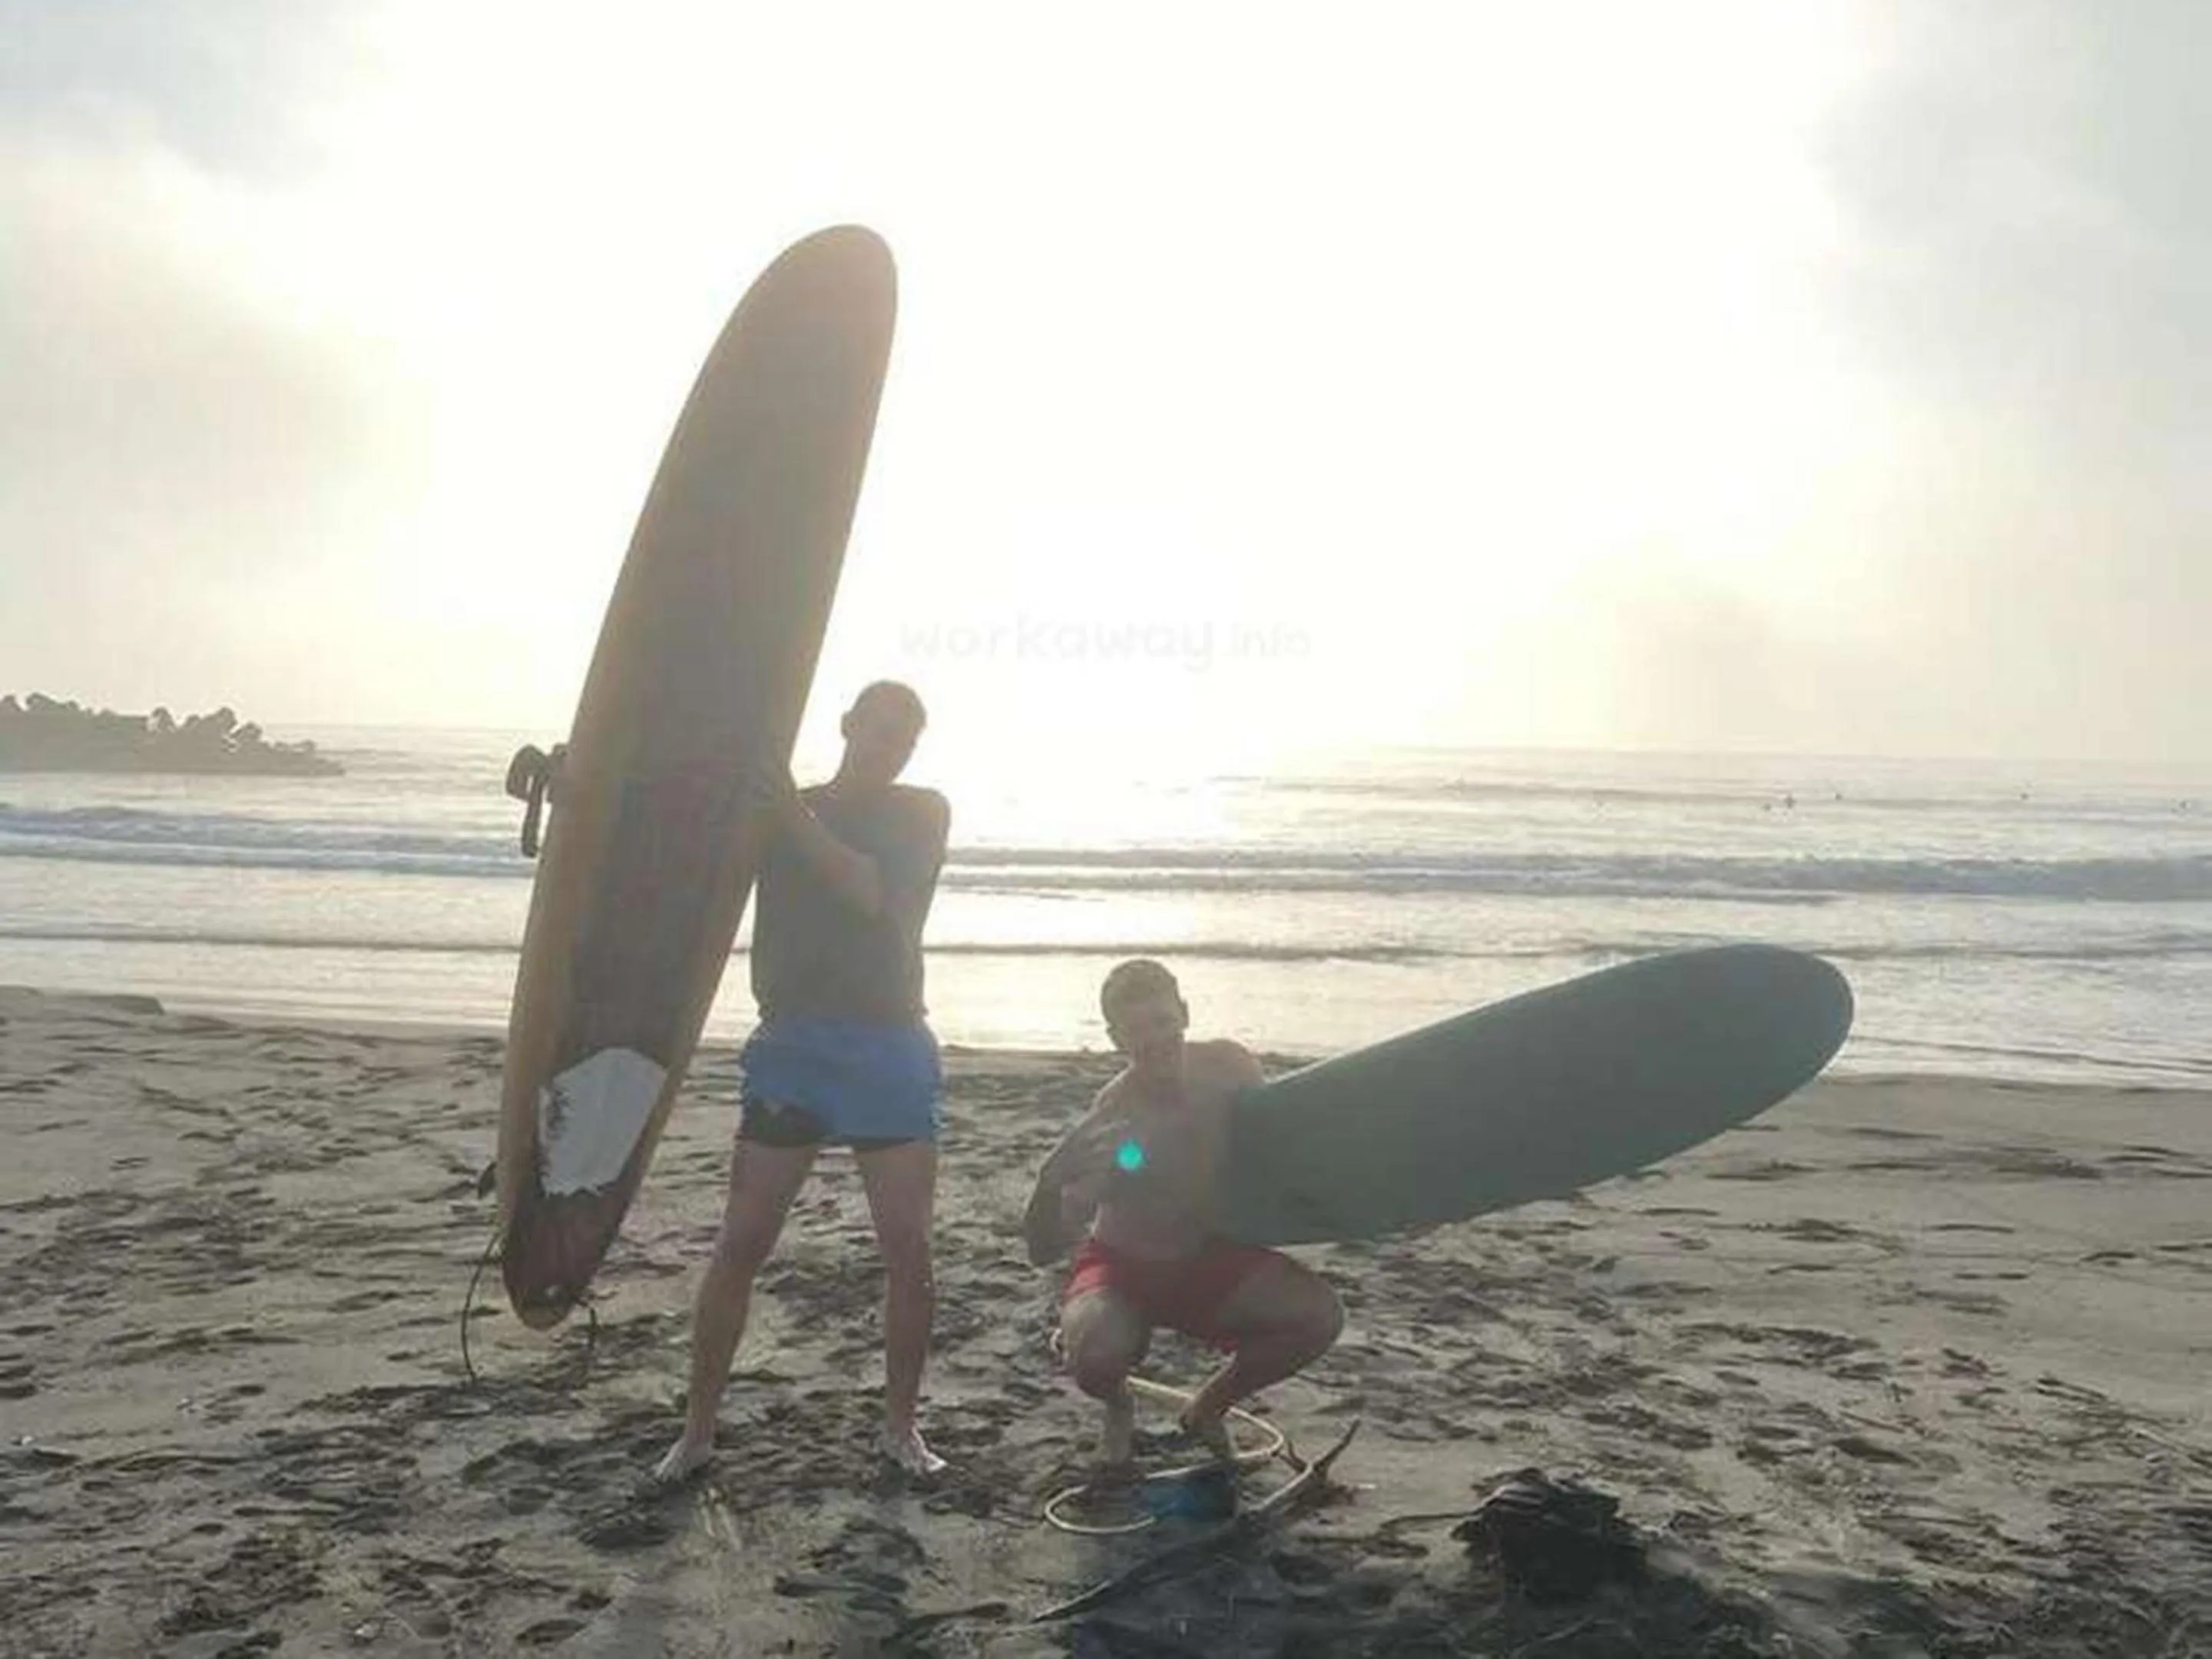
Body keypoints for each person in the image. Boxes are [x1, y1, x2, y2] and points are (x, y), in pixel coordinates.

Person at [654, 680, 951, 1482]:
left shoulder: (920, 812)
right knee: (742, 1243)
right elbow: (682, 858)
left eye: (902, 738)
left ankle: (900, 1428)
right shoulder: (776, 808)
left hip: (888, 1046)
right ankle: (699, 1430)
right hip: (795, 1046)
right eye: (876, 730)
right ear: (848, 725)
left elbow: (867, 893)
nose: (887, 746)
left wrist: (782, 809)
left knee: (909, 1251)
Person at [1023, 959, 1343, 1469]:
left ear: (1185, 1015)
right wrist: (1049, 1183)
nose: (1153, 1040)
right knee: (1096, 1358)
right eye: (1135, 1030)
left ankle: (1207, 1409)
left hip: (1206, 1258)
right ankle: (1119, 1406)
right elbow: (1046, 1249)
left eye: (1162, 1022)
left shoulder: (1231, 1067)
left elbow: (1279, 1142)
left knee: (1319, 1318)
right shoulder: (1114, 1115)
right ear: (1114, 1039)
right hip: (1125, 1269)